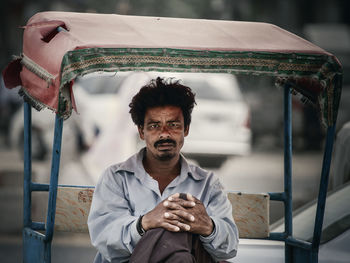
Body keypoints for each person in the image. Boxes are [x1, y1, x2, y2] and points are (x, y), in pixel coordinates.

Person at [88, 77, 239, 263]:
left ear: (186, 129)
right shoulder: (116, 178)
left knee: (179, 232)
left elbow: (229, 247)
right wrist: (145, 223)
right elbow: (106, 241)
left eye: (174, 125)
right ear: (141, 132)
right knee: (171, 231)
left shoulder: (208, 184)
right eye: (154, 126)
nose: (165, 133)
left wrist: (208, 226)